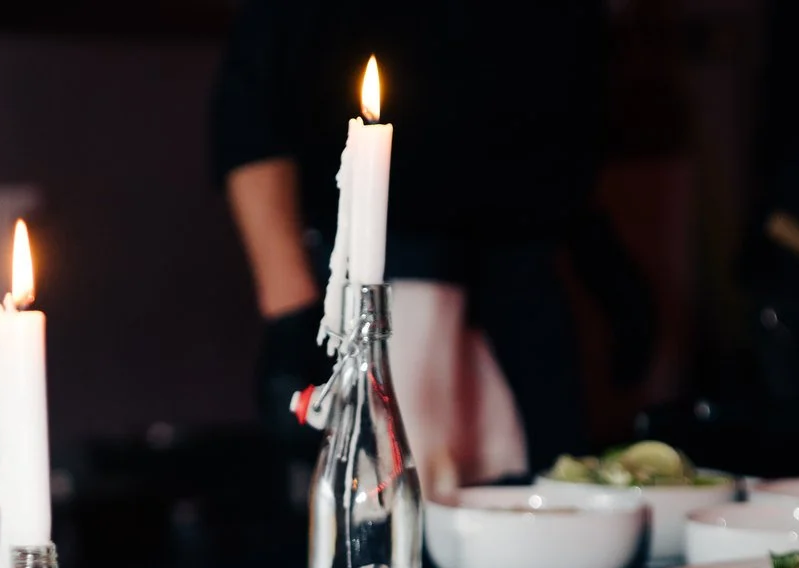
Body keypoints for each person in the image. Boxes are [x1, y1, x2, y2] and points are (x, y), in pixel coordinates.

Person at [210, 0, 649, 488]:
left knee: (554, 496)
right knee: (387, 497)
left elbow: (560, 128)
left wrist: (603, 264)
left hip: (527, 290)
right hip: (391, 283)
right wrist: (291, 314)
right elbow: (253, 109)